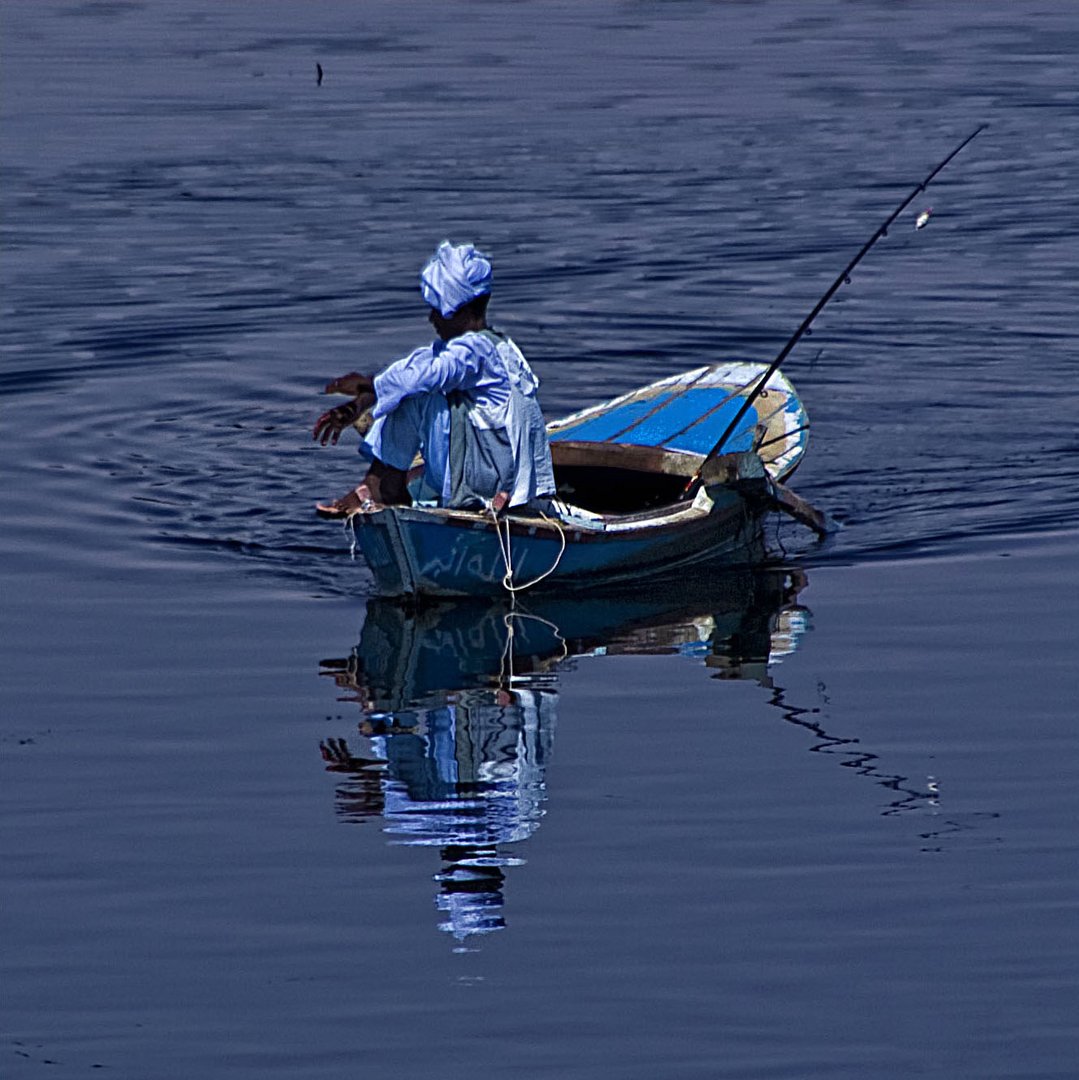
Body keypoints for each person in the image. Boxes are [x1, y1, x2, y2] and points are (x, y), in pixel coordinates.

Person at [314, 241, 555, 517]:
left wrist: (367, 384)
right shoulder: (489, 346)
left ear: (460, 312)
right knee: (413, 385)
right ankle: (383, 484)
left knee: (420, 395)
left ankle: (382, 486)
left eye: (437, 310)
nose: (431, 318)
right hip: (497, 469)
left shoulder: (476, 351)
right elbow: (409, 371)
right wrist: (358, 406)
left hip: (494, 476)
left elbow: (427, 377)